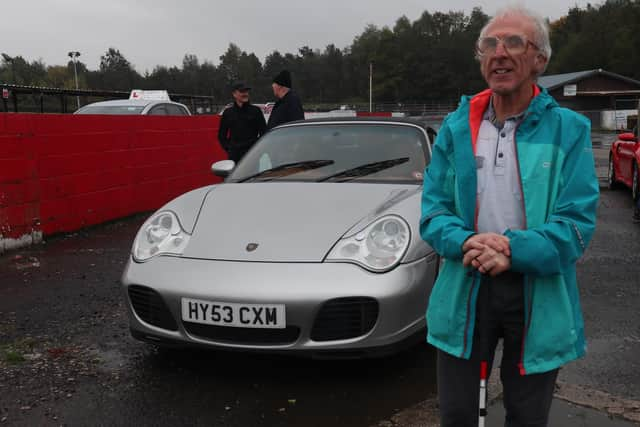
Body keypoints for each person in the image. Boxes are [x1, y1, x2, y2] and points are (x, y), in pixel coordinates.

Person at [420, 6, 599, 427]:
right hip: (466, 283)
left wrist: (512, 252)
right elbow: (433, 210)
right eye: (489, 45)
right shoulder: (455, 127)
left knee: (527, 415)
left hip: (536, 291)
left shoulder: (569, 130)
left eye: (514, 42)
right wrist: (466, 241)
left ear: (541, 59)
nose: (499, 53)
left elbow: (576, 224)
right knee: (458, 414)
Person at [218, 82, 267, 163]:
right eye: (242, 91)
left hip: (252, 155)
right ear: (234, 94)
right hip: (234, 157)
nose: (245, 94)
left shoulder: (256, 111)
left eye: (247, 91)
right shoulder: (228, 112)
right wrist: (230, 149)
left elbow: (264, 132)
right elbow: (221, 136)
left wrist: (257, 149)